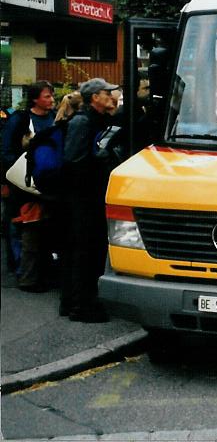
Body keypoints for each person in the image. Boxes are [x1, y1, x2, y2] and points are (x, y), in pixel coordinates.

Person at [59, 78, 119, 322]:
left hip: (87, 197)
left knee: (85, 252)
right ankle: (80, 307)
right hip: (83, 199)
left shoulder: (96, 120)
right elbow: (74, 161)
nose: (111, 96)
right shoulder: (83, 122)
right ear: (95, 97)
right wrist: (100, 165)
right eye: (107, 93)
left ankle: (74, 302)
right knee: (84, 252)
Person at [1, 81, 56, 292]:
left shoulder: (52, 118)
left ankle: (37, 271)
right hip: (21, 182)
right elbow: (5, 150)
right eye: (47, 97)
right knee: (21, 225)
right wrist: (8, 179)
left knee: (39, 225)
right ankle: (21, 270)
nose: (51, 100)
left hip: (44, 181)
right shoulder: (20, 119)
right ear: (35, 99)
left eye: (52, 96)